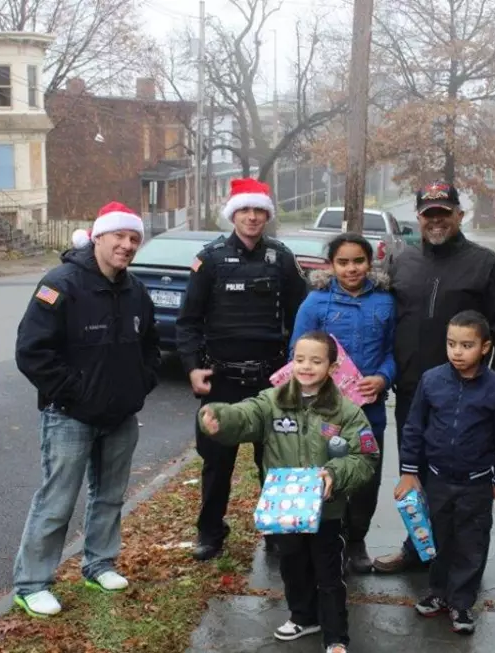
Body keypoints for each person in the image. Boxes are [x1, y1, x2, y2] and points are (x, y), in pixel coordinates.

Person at [11, 202, 161, 618]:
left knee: (110, 497)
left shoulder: (136, 291)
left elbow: (151, 345)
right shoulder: (60, 284)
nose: (127, 245)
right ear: (98, 237)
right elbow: (32, 352)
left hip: (120, 417)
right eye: (119, 237)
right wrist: (72, 394)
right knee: (56, 501)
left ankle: (99, 565)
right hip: (69, 417)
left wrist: (139, 385)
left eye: (134, 239)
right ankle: (32, 583)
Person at [374, 180, 495, 574]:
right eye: (429, 215)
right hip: (412, 390)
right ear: (419, 218)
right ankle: (418, 549)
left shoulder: (486, 265)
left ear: (459, 215)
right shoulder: (402, 261)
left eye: (444, 213)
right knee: (415, 473)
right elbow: (381, 318)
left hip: (467, 396)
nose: (436, 221)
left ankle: (457, 560)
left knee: (461, 481)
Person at [199, 331, 378, 653]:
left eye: (316, 361)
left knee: (329, 575)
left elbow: (365, 456)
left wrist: (336, 474)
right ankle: (302, 616)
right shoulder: (273, 401)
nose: (306, 367)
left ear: (333, 367)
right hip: (285, 511)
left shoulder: (346, 412)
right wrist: (221, 418)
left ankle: (336, 636)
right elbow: (246, 414)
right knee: (292, 564)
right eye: (299, 359)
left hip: (328, 511)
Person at [177, 177, 309, 561]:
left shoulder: (282, 258)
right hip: (223, 381)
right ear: (233, 214)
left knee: (274, 460)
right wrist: (191, 368)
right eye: (245, 210)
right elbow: (187, 322)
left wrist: (297, 368)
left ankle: (274, 528)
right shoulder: (211, 259)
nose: (252, 217)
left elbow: (301, 316)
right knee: (217, 464)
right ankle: (210, 533)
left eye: (259, 211)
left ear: (267, 214)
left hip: (271, 381)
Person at [394, 310, 495, 634]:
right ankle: (438, 593)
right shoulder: (432, 380)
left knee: (471, 543)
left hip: (476, 483)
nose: (457, 352)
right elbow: (414, 427)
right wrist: (409, 472)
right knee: (438, 538)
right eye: (451, 344)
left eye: (467, 345)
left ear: (485, 347)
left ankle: (462, 603)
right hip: (437, 479)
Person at [288, 233, 395, 573]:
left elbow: (395, 351)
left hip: (369, 410)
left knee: (366, 474)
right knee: (323, 469)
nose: (352, 269)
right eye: (343, 262)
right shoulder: (315, 303)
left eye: (359, 261)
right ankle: (322, 539)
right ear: (331, 265)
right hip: (324, 409)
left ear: (370, 262)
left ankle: (357, 540)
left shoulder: (386, 302)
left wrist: (383, 377)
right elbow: (297, 353)